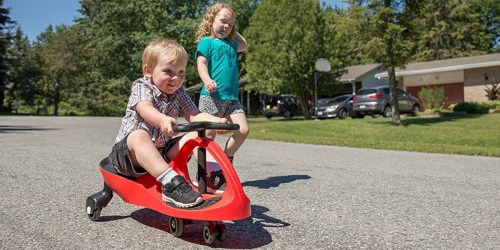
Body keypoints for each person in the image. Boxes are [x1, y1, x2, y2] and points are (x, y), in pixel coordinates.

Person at [108, 38, 227, 209]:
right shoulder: (142, 86)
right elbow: (145, 108)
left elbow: (194, 115)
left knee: (203, 131)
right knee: (139, 136)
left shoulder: (179, 92)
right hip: (129, 158)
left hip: (162, 152)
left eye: (181, 72)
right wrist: (162, 119)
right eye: (168, 71)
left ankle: (209, 176)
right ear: (148, 71)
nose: (176, 78)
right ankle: (172, 185)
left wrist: (215, 122)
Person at [194, 2, 249, 194]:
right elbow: (201, 63)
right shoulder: (207, 42)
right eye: (223, 21)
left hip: (231, 99)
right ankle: (204, 173)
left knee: (242, 130)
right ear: (211, 20)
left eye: (231, 24)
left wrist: (233, 29)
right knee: (208, 136)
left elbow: (245, 45)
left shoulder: (232, 44)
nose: (226, 26)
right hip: (211, 97)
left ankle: (224, 162)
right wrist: (207, 79)